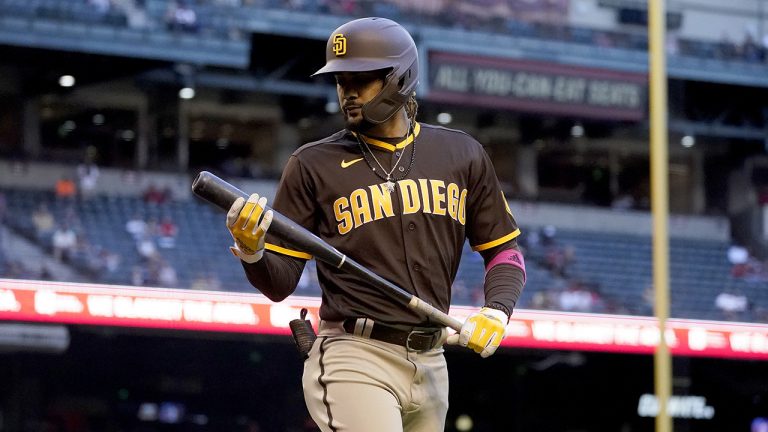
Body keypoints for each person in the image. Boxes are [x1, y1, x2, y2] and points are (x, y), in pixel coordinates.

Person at [225, 17, 526, 432]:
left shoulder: (462, 154)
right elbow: (280, 284)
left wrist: (496, 312)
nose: (347, 93)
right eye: (340, 81)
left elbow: (505, 252)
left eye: (360, 80)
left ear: (399, 79)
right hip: (354, 353)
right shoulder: (312, 164)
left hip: (432, 360)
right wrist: (253, 251)